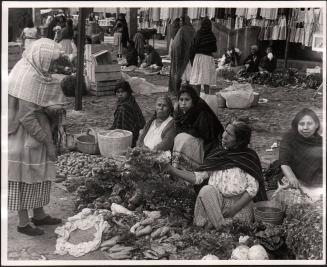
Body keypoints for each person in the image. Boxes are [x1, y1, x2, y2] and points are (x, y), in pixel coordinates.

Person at [8, 39, 67, 236]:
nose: (52, 66)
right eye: (50, 61)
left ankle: (39, 214)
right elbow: (27, 117)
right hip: (24, 135)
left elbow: (38, 103)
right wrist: (48, 141)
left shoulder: (30, 66)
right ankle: (23, 223)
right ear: (41, 57)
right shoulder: (29, 77)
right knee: (25, 178)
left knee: (39, 175)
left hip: (34, 131)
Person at [162, 119, 268, 230]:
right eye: (225, 131)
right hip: (216, 203)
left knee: (236, 225)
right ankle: (221, 225)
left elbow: (252, 189)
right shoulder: (218, 155)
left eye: (230, 134)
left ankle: (216, 224)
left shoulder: (247, 158)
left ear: (239, 140)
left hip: (240, 204)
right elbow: (197, 178)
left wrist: (233, 210)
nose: (224, 136)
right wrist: (171, 169)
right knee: (206, 190)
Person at [172, 85, 224, 171]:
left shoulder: (201, 112)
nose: (183, 103)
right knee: (179, 137)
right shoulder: (180, 111)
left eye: (187, 100)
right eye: (181, 100)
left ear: (193, 100)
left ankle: (190, 167)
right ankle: (178, 168)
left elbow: (206, 135)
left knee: (182, 138)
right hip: (195, 142)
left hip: (207, 145)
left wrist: (185, 133)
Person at [279, 108, 322, 192]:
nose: (305, 128)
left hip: (315, 180)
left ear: (316, 125)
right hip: (293, 177)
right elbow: (284, 163)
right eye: (302, 124)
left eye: (309, 124)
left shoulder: (321, 142)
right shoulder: (289, 139)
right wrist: (292, 179)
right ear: (296, 125)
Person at [110, 81, 146, 147]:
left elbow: (125, 128)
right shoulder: (128, 100)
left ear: (128, 92)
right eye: (118, 92)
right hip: (133, 132)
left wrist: (116, 134)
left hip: (131, 134)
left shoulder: (125, 106)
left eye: (122, 92)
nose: (120, 94)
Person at [189, 18, 217, 95]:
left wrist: (191, 57)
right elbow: (214, 49)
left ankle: (197, 97)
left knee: (198, 79)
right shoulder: (212, 35)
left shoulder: (198, 33)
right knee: (206, 80)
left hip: (199, 57)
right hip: (208, 58)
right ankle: (207, 96)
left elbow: (194, 46)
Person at [169, 15, 195, 95]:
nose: (180, 22)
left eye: (181, 21)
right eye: (179, 21)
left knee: (180, 73)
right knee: (187, 74)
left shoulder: (183, 30)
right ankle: (187, 90)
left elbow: (178, 44)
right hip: (187, 55)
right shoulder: (190, 29)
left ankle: (179, 90)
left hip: (184, 55)